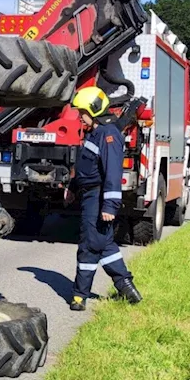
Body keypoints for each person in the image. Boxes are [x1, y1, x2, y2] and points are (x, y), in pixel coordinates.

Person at [68, 87, 141, 311]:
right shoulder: (96, 132)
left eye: (82, 111)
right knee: (105, 244)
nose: (80, 116)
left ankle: (80, 296)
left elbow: (112, 173)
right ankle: (127, 288)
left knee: (90, 244)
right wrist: (72, 186)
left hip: (98, 198)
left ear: (94, 110)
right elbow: (86, 167)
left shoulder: (108, 135)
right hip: (90, 194)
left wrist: (109, 205)